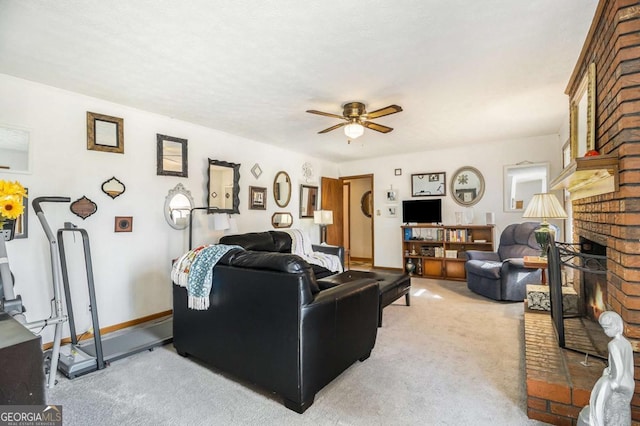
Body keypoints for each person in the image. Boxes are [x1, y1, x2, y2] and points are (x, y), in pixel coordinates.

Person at [578, 311, 634, 426]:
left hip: (618, 382)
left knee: (599, 396)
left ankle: (597, 421)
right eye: (604, 328)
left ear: (616, 325)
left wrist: (614, 382)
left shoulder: (613, 345)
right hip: (629, 383)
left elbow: (619, 367)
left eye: (607, 328)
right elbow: (630, 367)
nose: (605, 331)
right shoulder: (627, 343)